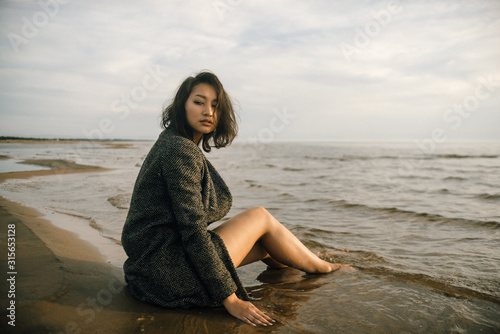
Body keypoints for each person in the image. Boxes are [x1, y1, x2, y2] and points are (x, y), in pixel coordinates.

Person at [121, 71, 345, 327]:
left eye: (215, 105)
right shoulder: (180, 150)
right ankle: (324, 268)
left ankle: (308, 259)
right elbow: (192, 231)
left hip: (149, 269)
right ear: (181, 105)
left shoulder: (172, 142)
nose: (208, 111)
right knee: (260, 216)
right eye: (198, 102)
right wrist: (231, 299)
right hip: (167, 273)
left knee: (266, 245)